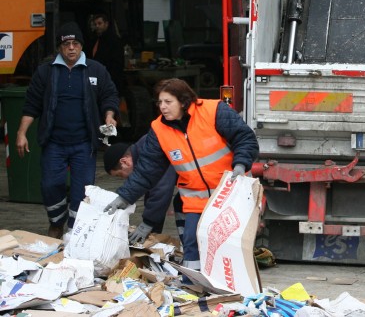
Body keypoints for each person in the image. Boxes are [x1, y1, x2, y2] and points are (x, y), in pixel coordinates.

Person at [104, 78, 259, 272]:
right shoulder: (159, 130)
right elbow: (147, 171)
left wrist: (240, 164)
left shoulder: (214, 111)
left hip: (228, 194)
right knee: (191, 242)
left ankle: (230, 285)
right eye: (160, 102)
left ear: (183, 101)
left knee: (228, 244)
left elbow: (245, 138)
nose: (163, 107)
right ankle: (193, 286)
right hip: (196, 199)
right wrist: (124, 197)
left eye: (168, 102)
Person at [16, 21, 119, 239]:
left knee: (83, 189)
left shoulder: (96, 69)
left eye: (75, 43)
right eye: (67, 44)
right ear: (60, 48)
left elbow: (109, 95)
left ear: (81, 46)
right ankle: (56, 222)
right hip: (54, 142)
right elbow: (32, 104)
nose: (71, 48)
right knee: (51, 184)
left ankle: (74, 230)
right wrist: (21, 132)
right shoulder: (46, 72)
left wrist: (109, 116)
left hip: (84, 142)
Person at [104, 140, 185, 244]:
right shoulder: (143, 147)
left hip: (207, 178)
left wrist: (147, 224)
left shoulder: (151, 150)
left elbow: (160, 189)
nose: (123, 178)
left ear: (124, 162)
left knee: (184, 204)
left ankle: (193, 252)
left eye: (119, 175)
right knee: (180, 202)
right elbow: (150, 188)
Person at [86, 13, 125, 95]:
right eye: (95, 24)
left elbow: (116, 65)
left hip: (109, 80)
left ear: (106, 24)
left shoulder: (114, 41)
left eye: (99, 23)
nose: (97, 26)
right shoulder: (95, 39)